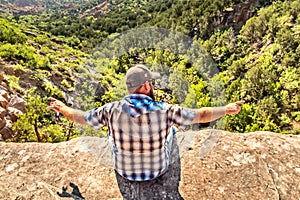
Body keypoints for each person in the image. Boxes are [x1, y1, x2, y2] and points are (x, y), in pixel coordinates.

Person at [48, 64, 244, 199]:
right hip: (157, 171)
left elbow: (82, 118)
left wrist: (62, 107)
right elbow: (201, 115)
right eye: (150, 83)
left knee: (111, 136)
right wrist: (227, 109)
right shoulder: (165, 110)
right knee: (172, 133)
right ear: (146, 85)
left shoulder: (110, 110)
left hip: (124, 172)